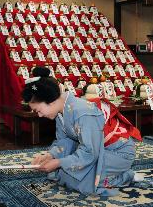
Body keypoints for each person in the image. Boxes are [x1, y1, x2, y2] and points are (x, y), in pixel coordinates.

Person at [24, 67, 142, 197]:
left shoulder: (83, 112)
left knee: (84, 184)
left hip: (117, 153)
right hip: (97, 150)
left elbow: (89, 151)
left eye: (38, 110)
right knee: (64, 174)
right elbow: (65, 141)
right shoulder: (60, 110)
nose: (39, 115)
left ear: (51, 101)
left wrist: (59, 162)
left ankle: (125, 175)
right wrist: (51, 155)